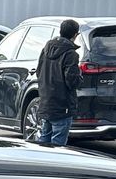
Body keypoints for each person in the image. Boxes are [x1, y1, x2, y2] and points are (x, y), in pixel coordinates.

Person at [35, 18, 83, 146]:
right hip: (63, 105)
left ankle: (40, 164)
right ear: (75, 35)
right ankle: (53, 165)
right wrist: (80, 78)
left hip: (46, 102)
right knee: (58, 144)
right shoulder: (71, 54)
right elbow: (72, 80)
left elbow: (39, 72)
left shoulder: (45, 49)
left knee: (44, 139)